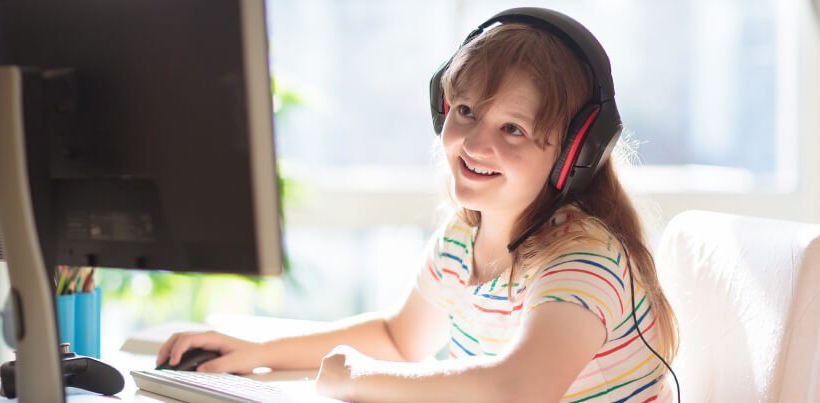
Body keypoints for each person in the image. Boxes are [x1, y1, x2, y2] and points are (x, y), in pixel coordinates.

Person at [156, 8, 679, 403]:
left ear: (573, 154)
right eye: (466, 110)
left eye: (513, 129)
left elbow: (519, 389)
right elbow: (398, 339)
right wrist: (254, 352)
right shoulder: (462, 239)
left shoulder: (582, 257)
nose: (475, 143)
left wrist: (359, 377)